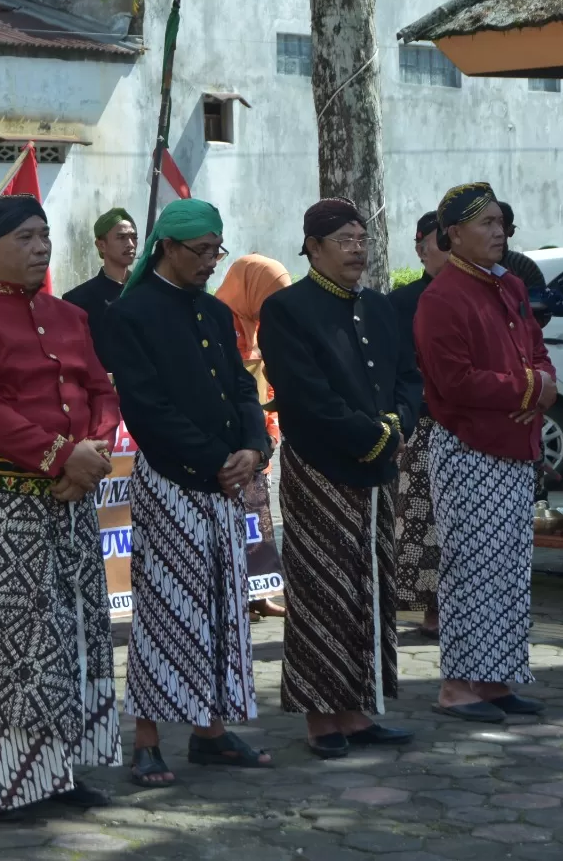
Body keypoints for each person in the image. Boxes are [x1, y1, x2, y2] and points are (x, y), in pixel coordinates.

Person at [0, 195, 121, 819]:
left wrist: (92, 452)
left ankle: (57, 772)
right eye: (24, 238)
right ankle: (3, 786)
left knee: (75, 631)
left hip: (72, 496)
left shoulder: (69, 315)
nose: (40, 247)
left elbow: (101, 390)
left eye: (44, 235)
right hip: (5, 501)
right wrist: (62, 456)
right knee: (18, 642)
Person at [108, 199, 272, 789]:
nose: (209, 261)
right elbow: (146, 409)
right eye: (200, 251)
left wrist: (254, 448)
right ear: (168, 247)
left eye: (215, 251)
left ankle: (211, 732)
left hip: (225, 483)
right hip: (172, 480)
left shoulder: (214, 311)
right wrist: (215, 459)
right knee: (167, 610)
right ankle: (147, 741)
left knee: (225, 608)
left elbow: (242, 388)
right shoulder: (132, 314)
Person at [258, 197, 421, 759]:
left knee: (369, 587)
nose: (357, 250)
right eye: (344, 241)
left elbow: (408, 378)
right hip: (320, 465)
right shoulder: (287, 308)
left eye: (362, 240)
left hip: (377, 468)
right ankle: (320, 718)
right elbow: (305, 394)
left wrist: (396, 425)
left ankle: (358, 709)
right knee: (323, 590)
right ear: (313, 247)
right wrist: (371, 434)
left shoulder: (379, 307)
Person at [415, 182, 556, 723]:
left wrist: (540, 385)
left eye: (501, 222)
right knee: (471, 568)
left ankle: (494, 681)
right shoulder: (442, 297)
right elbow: (454, 381)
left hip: (514, 447)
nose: (499, 232)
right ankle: (456, 687)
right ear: (454, 234)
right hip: (469, 449)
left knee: (509, 569)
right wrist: (528, 389)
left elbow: (537, 352)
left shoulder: (510, 284)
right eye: (487, 223)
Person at [214, 253, 292, 620]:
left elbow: (269, 384)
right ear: (252, 288)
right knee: (231, 523)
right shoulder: (215, 320)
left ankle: (259, 594)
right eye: (270, 294)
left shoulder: (260, 327)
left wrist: (271, 431)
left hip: (259, 441)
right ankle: (234, 596)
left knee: (258, 521)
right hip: (228, 443)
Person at [388, 211, 449, 641]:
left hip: (470, 425)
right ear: (421, 249)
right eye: (439, 241)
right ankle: (432, 609)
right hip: (423, 423)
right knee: (422, 521)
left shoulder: (483, 292)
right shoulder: (402, 301)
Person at [62, 207, 138, 366]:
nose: (130, 244)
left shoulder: (146, 291)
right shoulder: (77, 301)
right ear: (101, 245)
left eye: (134, 237)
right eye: (122, 238)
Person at [497, 203, 547, 290]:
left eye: (500, 226)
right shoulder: (471, 268)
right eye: (486, 224)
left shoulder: (523, 266)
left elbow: (538, 297)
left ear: (510, 231)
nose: (495, 233)